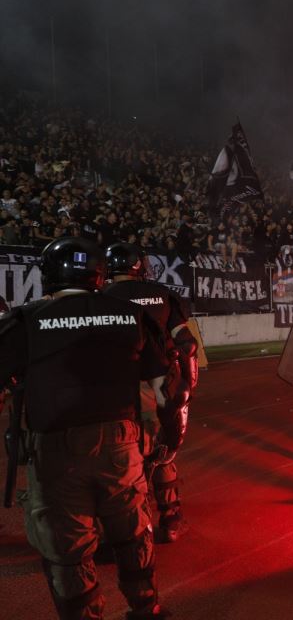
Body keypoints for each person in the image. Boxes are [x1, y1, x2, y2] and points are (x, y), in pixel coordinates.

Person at [0, 237, 171, 619]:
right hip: (122, 444)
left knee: (67, 548)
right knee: (132, 534)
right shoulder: (131, 315)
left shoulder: (28, 319)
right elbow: (164, 391)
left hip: (57, 451)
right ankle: (147, 607)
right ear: (98, 273)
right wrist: (169, 440)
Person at [102, 242, 199, 543]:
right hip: (160, 385)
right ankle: (170, 519)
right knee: (164, 454)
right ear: (137, 265)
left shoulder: (100, 298)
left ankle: (132, 525)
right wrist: (187, 383)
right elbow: (187, 343)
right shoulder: (164, 295)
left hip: (115, 390)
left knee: (122, 458)